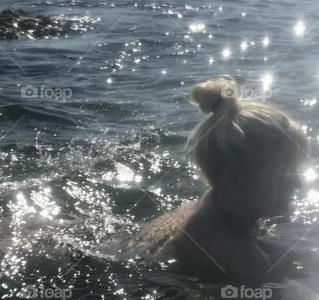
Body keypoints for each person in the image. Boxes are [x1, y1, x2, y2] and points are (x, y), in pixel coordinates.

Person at [129, 76, 308, 281]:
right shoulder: (243, 259)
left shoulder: (206, 205)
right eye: (284, 174)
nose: (297, 183)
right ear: (234, 179)